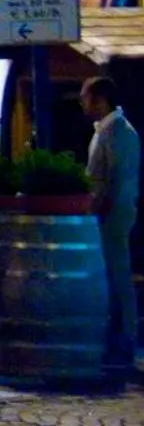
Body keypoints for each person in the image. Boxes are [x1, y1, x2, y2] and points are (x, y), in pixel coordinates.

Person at [81, 76, 139, 378]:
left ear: (100, 100)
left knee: (119, 277)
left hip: (114, 215)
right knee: (114, 277)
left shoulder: (118, 133)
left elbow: (116, 180)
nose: (82, 103)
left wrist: (101, 209)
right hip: (110, 213)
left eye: (85, 97)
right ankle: (118, 338)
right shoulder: (107, 130)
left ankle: (125, 341)